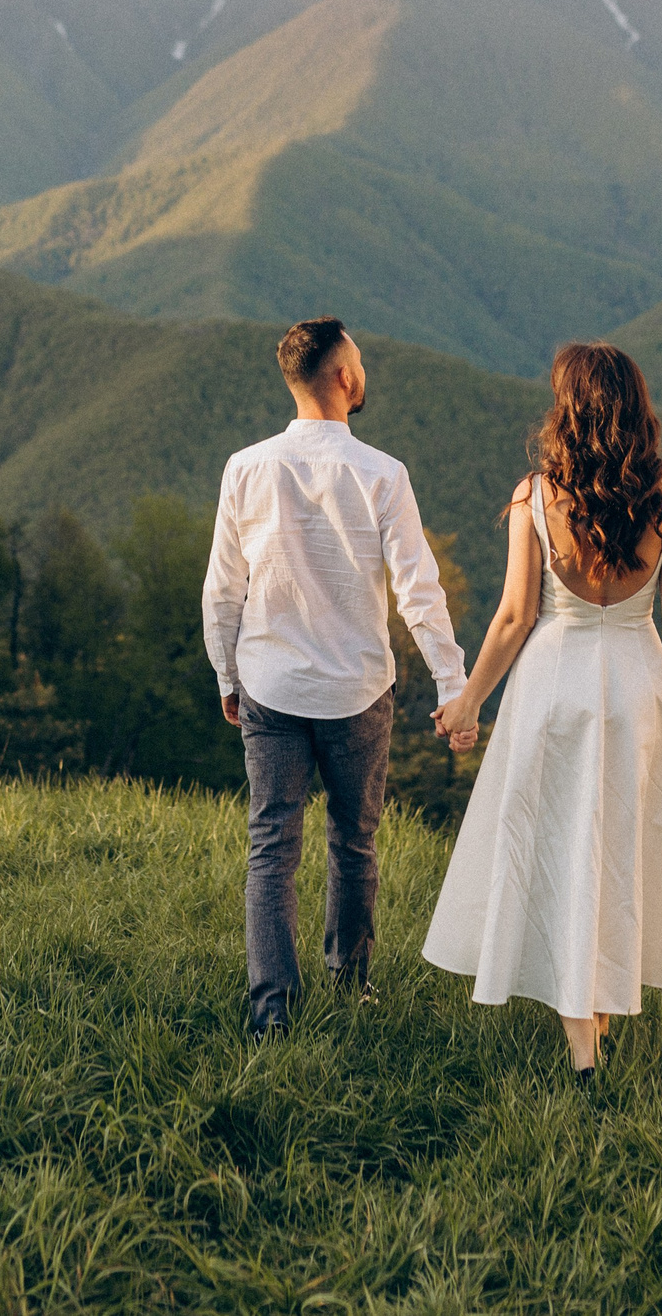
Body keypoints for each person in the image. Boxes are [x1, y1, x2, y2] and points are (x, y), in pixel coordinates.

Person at [422, 342, 662, 1082]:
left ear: (569, 410)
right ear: (637, 407)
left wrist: (468, 703)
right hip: (640, 689)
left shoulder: (534, 497)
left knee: (561, 851)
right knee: (618, 851)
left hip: (552, 688)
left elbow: (511, 618)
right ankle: (595, 1016)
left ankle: (582, 1041)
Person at [202, 316, 472, 1041]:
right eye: (361, 359)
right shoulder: (383, 474)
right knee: (353, 841)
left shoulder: (246, 467)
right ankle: (351, 985)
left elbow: (223, 588)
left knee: (272, 844)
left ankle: (271, 1010)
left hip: (269, 683)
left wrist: (227, 673)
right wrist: (455, 688)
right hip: (357, 692)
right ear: (344, 378)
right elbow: (420, 591)